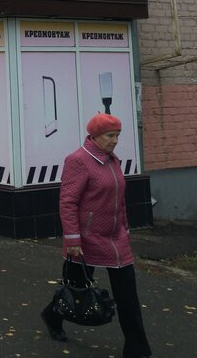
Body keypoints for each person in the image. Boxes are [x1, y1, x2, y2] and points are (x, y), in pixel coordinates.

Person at [41, 113, 152, 358]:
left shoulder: (113, 160)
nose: (115, 141)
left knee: (128, 297)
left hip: (115, 237)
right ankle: (52, 315)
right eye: (110, 136)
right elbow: (68, 202)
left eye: (117, 135)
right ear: (95, 135)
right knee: (75, 288)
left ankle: (137, 350)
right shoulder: (78, 160)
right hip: (86, 240)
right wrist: (72, 238)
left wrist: (124, 227)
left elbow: (119, 200)